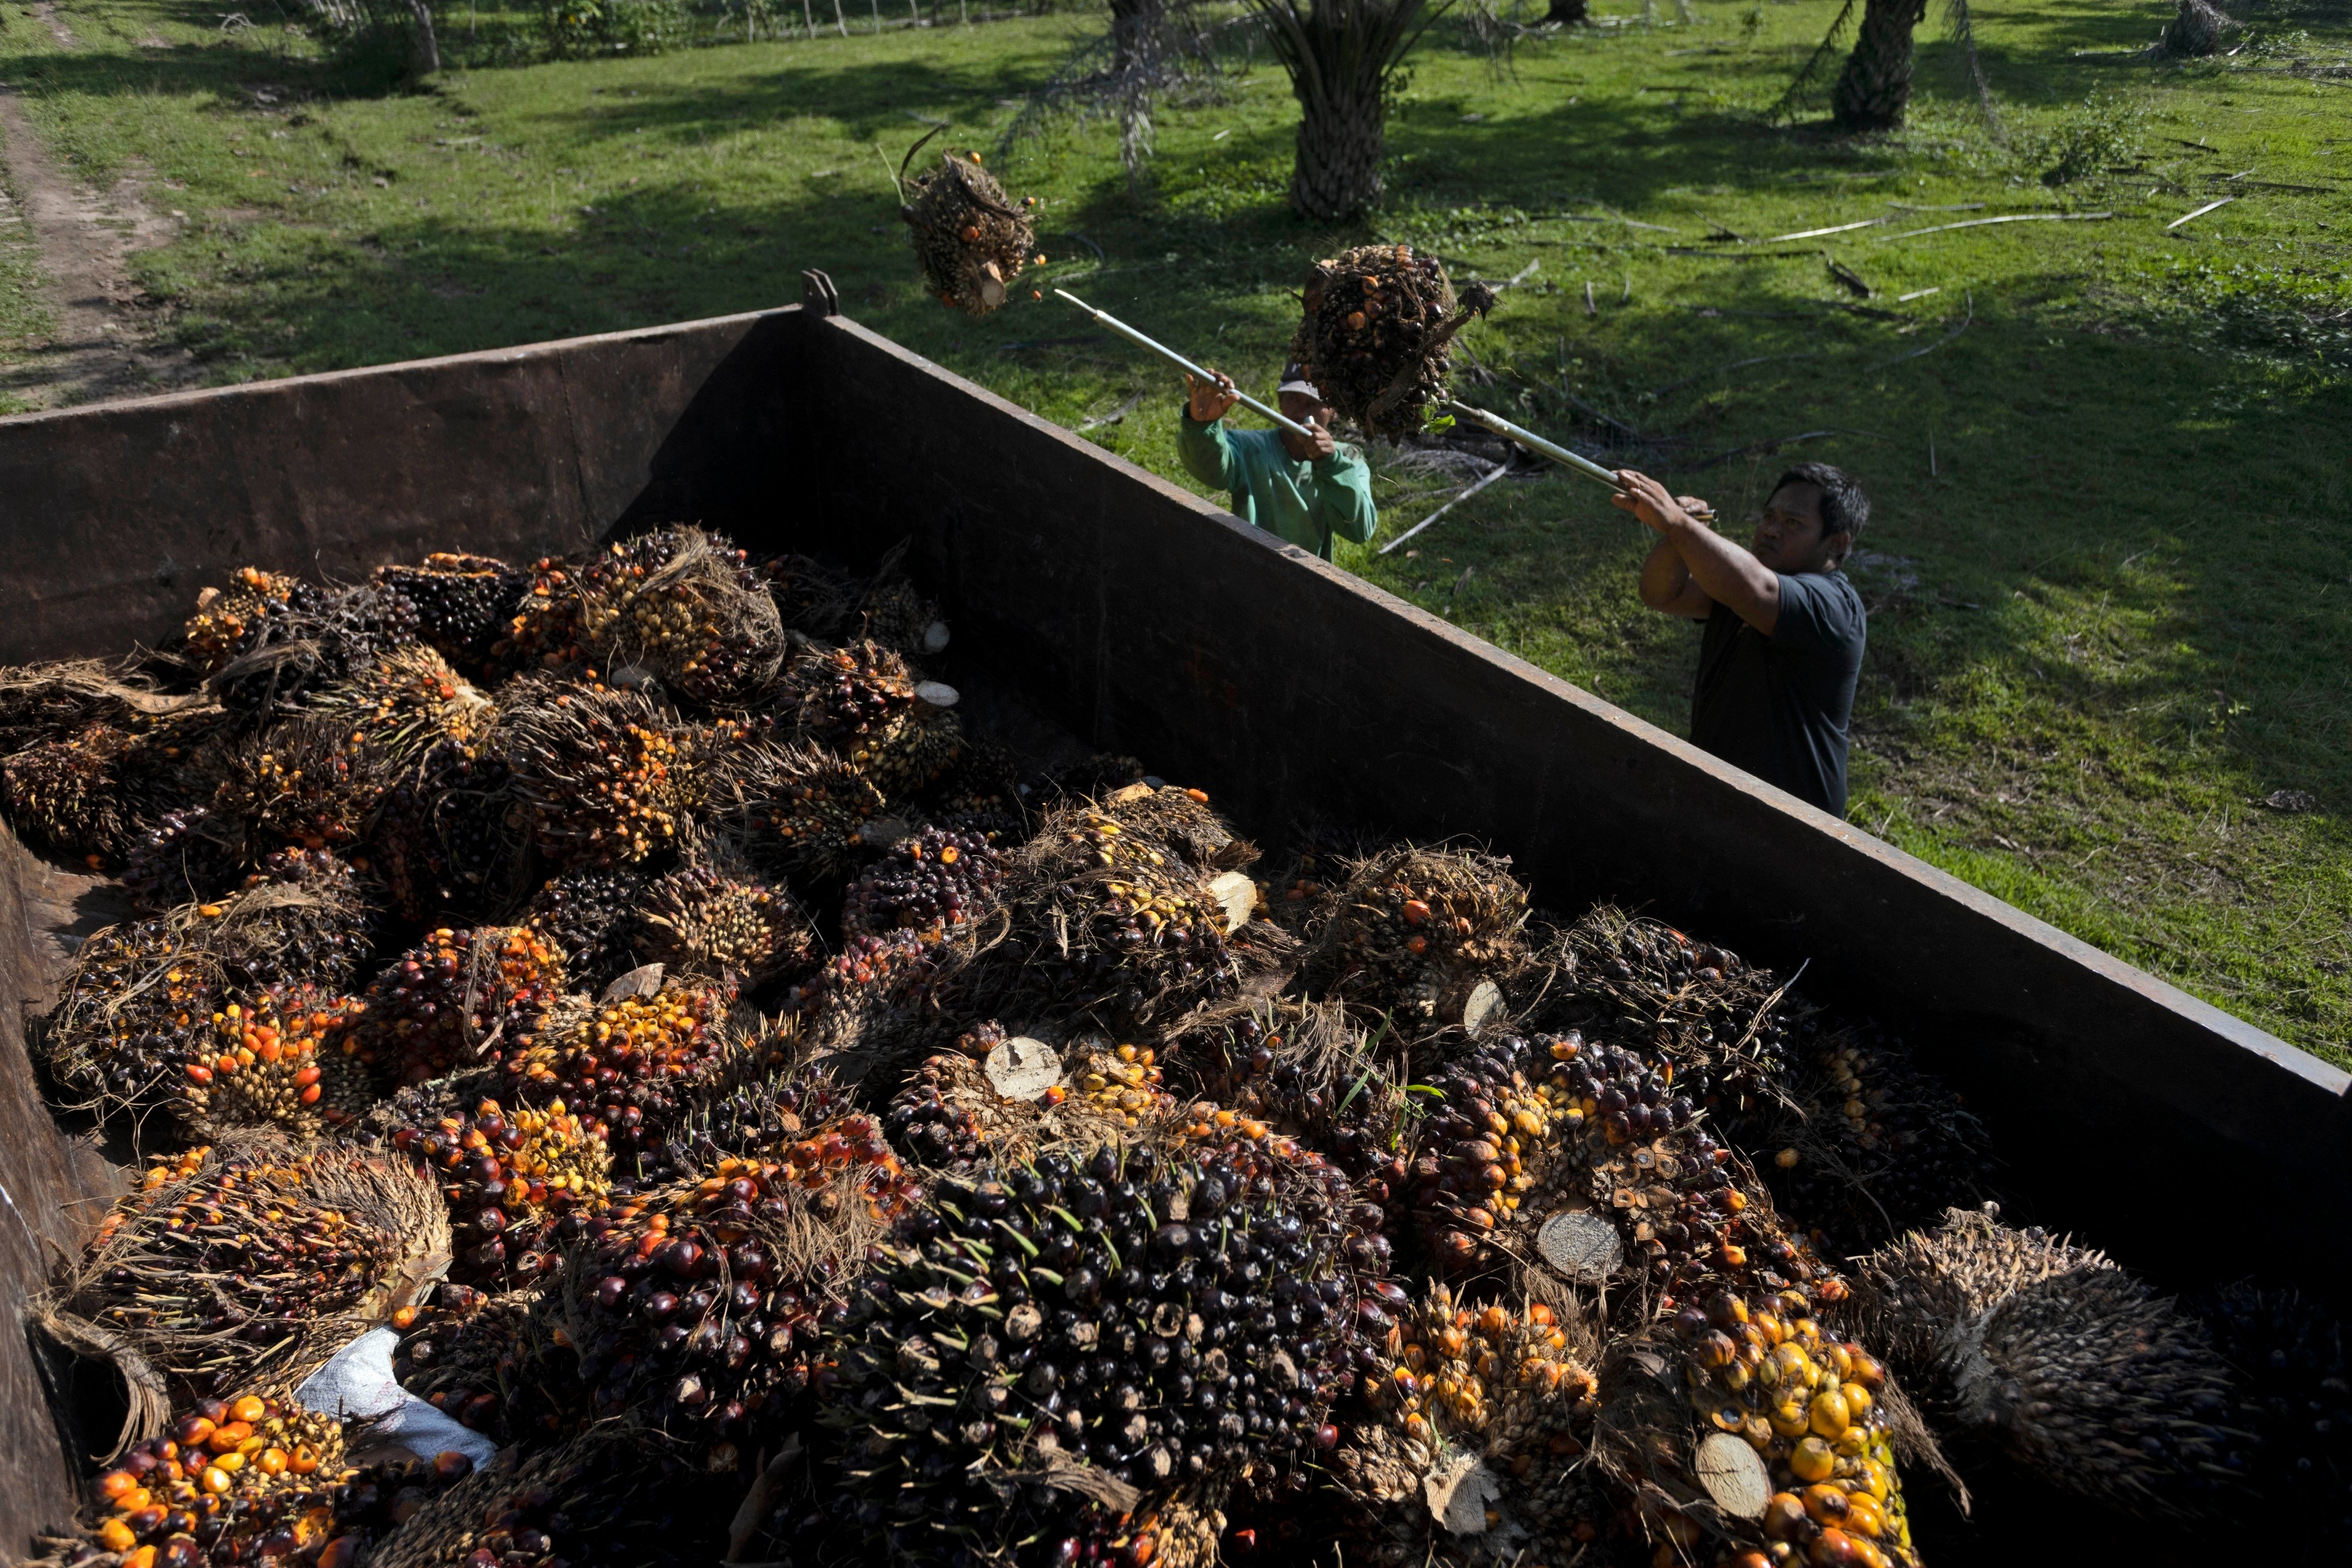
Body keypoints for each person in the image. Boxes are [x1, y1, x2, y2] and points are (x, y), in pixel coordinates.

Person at [1619, 461, 1869, 818]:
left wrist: (1679, 523)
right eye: (1769, 517)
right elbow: (1661, 594)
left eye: (1792, 523)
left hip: (1796, 826)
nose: (1770, 530)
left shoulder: (1833, 606)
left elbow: (1755, 589)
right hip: (1716, 798)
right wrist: (1680, 534)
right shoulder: (1737, 588)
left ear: (1836, 542)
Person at [1177, 365, 1377, 561]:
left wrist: (1331, 463)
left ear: (1334, 411)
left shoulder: (1347, 459)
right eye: (1294, 399)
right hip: (1247, 563)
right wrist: (1201, 427)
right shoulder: (1250, 449)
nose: (1302, 413)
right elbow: (1209, 470)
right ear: (1280, 401)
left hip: (1310, 579)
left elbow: (1359, 531)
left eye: (1315, 403)